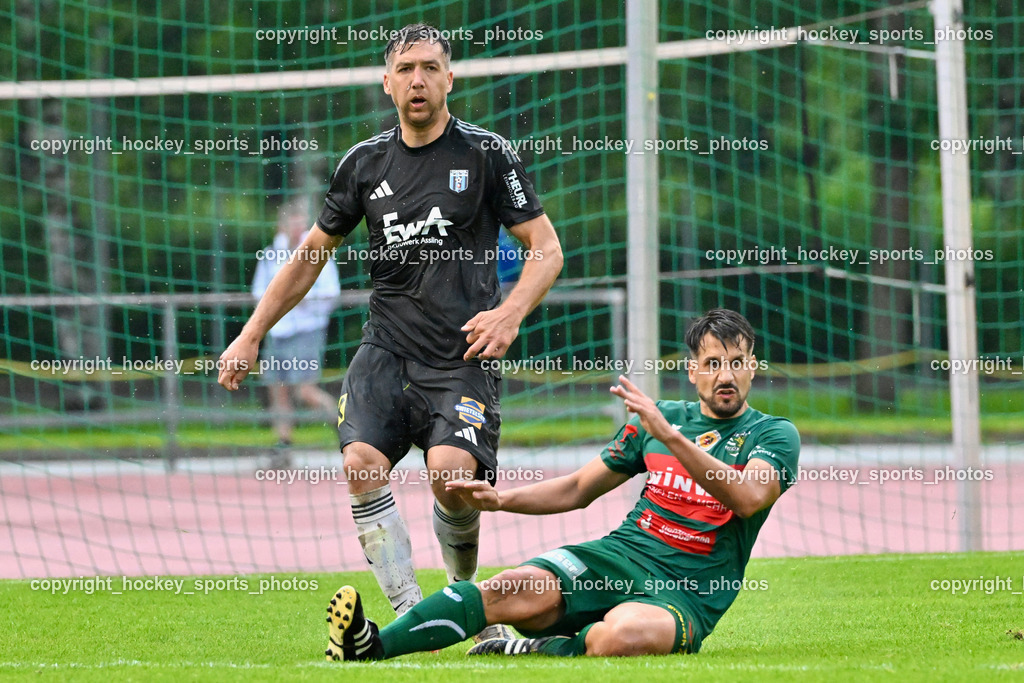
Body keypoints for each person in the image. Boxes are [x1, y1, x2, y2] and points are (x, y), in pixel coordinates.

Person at [217, 23, 563, 642]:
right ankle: (410, 613)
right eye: (405, 70)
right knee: (360, 462)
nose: (418, 80)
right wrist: (251, 334)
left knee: (453, 482)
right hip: (386, 350)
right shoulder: (363, 164)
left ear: (450, 78)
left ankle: (468, 609)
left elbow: (546, 248)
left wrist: (509, 314)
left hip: (461, 356)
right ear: (387, 83)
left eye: (430, 67)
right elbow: (310, 254)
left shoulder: (485, 154)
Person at [324, 308, 800, 661]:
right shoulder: (659, 424)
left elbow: (748, 496)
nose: (726, 375)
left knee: (618, 638)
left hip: (688, 593)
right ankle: (372, 645)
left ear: (752, 367)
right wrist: (502, 500)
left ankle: (535, 649)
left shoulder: (771, 434)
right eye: (713, 363)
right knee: (506, 589)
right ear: (692, 370)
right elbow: (577, 489)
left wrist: (670, 437)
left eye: (737, 362)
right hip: (618, 557)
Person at [251, 201, 341, 464]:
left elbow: (330, 293)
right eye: (293, 222)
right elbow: (259, 293)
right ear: (282, 225)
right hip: (277, 331)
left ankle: (343, 425)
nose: (298, 227)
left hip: (306, 330)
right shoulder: (270, 254)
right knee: (277, 390)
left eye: (302, 222)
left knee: (305, 392)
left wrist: (302, 299)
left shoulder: (318, 252)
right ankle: (283, 446)